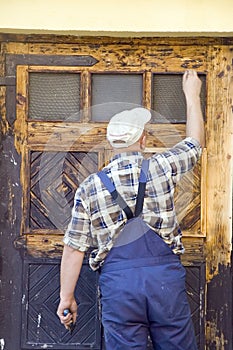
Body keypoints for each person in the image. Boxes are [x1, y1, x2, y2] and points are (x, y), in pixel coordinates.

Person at [57, 69, 205, 349]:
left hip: (119, 285)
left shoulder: (90, 187)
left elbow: (74, 247)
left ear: (112, 145)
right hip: (164, 282)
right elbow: (195, 144)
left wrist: (67, 297)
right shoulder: (161, 167)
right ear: (143, 140)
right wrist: (192, 95)